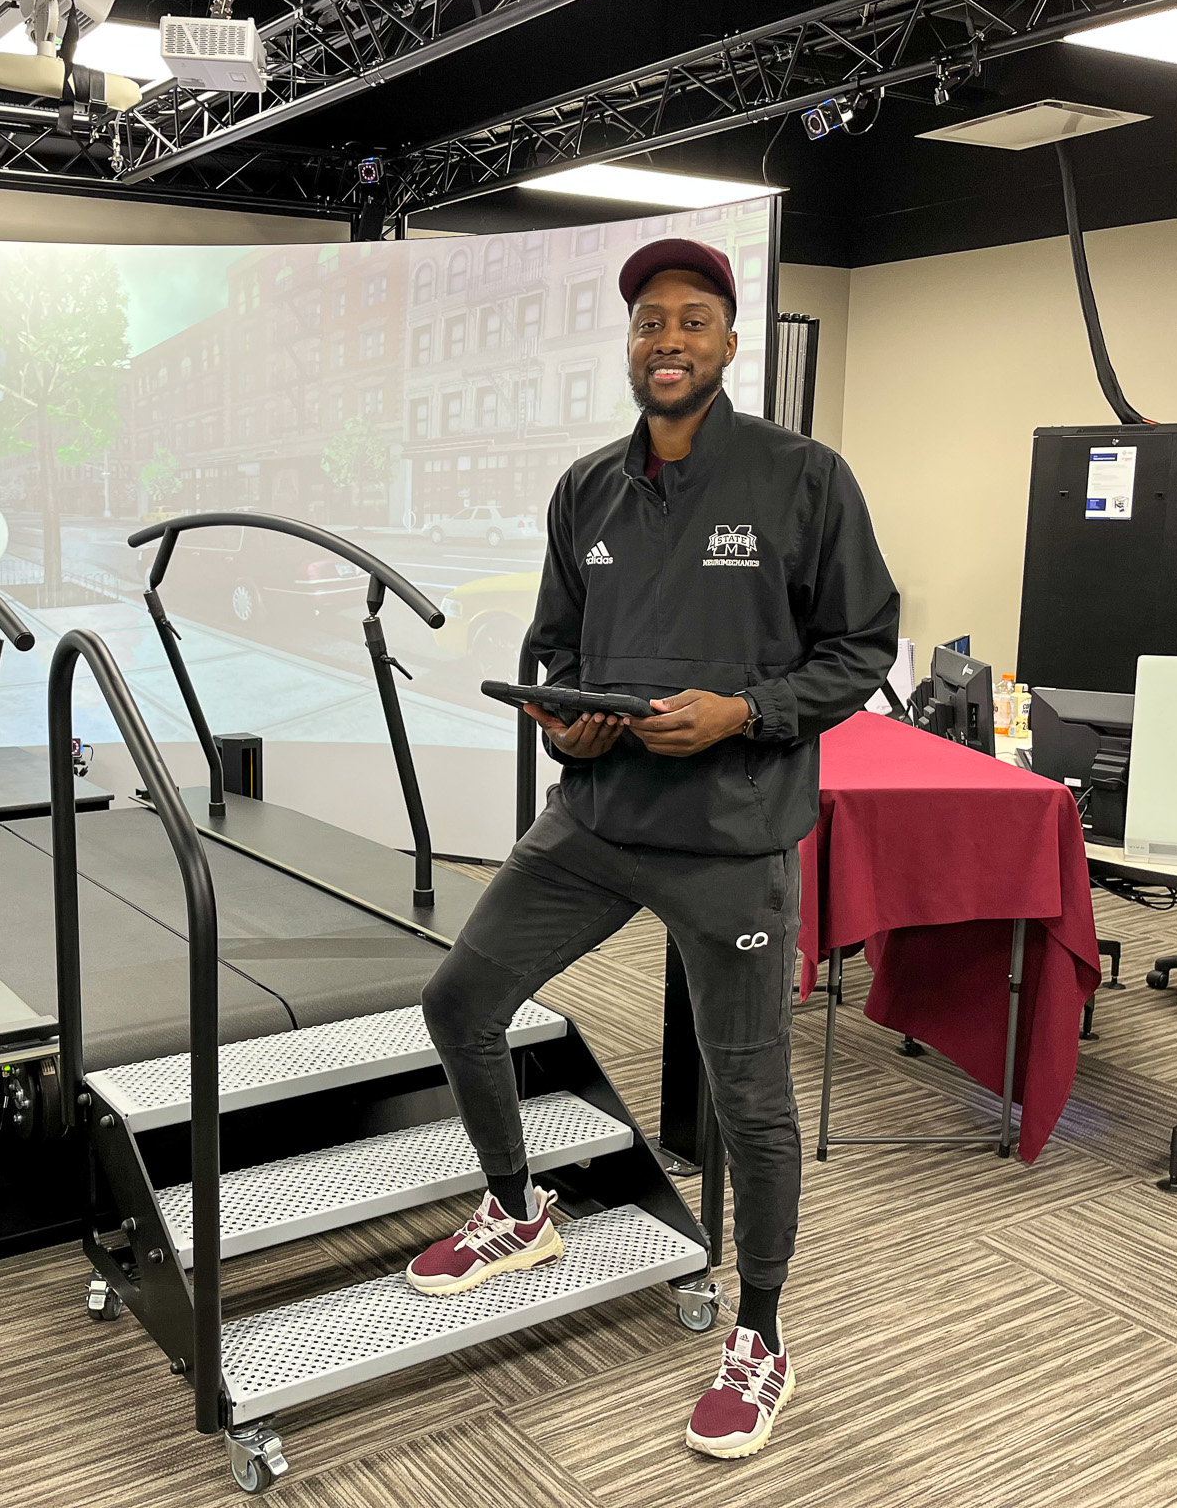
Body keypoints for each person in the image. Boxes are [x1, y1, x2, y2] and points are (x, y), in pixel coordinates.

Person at [403, 238, 899, 1460]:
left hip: (728, 842)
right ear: (627, 347)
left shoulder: (803, 479)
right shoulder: (586, 489)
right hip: (591, 821)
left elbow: (860, 649)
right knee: (457, 1001)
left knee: (747, 1100)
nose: (664, 342)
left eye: (689, 322)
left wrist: (742, 713)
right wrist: (558, 707)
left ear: (728, 345)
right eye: (644, 325)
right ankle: (519, 1210)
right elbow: (552, 644)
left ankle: (763, 1332)